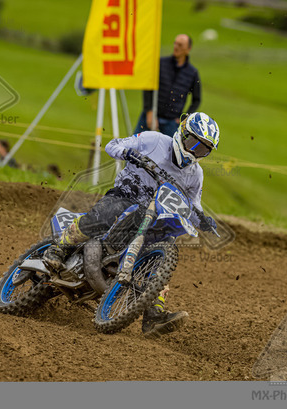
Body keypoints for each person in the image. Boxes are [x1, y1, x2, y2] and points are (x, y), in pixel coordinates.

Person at [43, 112, 220, 338]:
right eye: (193, 142)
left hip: (156, 214)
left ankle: (154, 314)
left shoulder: (196, 174)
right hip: (127, 195)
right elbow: (113, 145)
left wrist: (203, 220)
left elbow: (193, 206)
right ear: (183, 133)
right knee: (104, 215)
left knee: (165, 246)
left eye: (203, 149)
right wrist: (128, 152)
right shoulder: (154, 140)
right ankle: (59, 248)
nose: (195, 151)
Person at [134, 34, 201, 137]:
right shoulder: (160, 63)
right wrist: (149, 111)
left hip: (171, 123)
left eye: (180, 45)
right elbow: (148, 87)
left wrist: (184, 118)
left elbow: (196, 100)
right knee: (134, 144)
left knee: (171, 147)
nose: (176, 47)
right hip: (150, 116)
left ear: (188, 49)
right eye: (175, 43)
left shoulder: (192, 73)